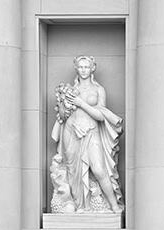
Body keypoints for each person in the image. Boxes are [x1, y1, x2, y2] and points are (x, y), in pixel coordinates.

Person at [50, 55, 124, 213]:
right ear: (76, 68)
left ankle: (114, 205)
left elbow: (101, 115)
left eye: (86, 67)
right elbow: (62, 116)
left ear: (92, 68)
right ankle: (81, 206)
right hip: (72, 133)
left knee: (98, 169)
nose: (83, 70)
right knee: (73, 171)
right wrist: (66, 108)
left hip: (91, 131)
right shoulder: (70, 90)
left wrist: (81, 103)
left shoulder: (98, 90)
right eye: (81, 67)